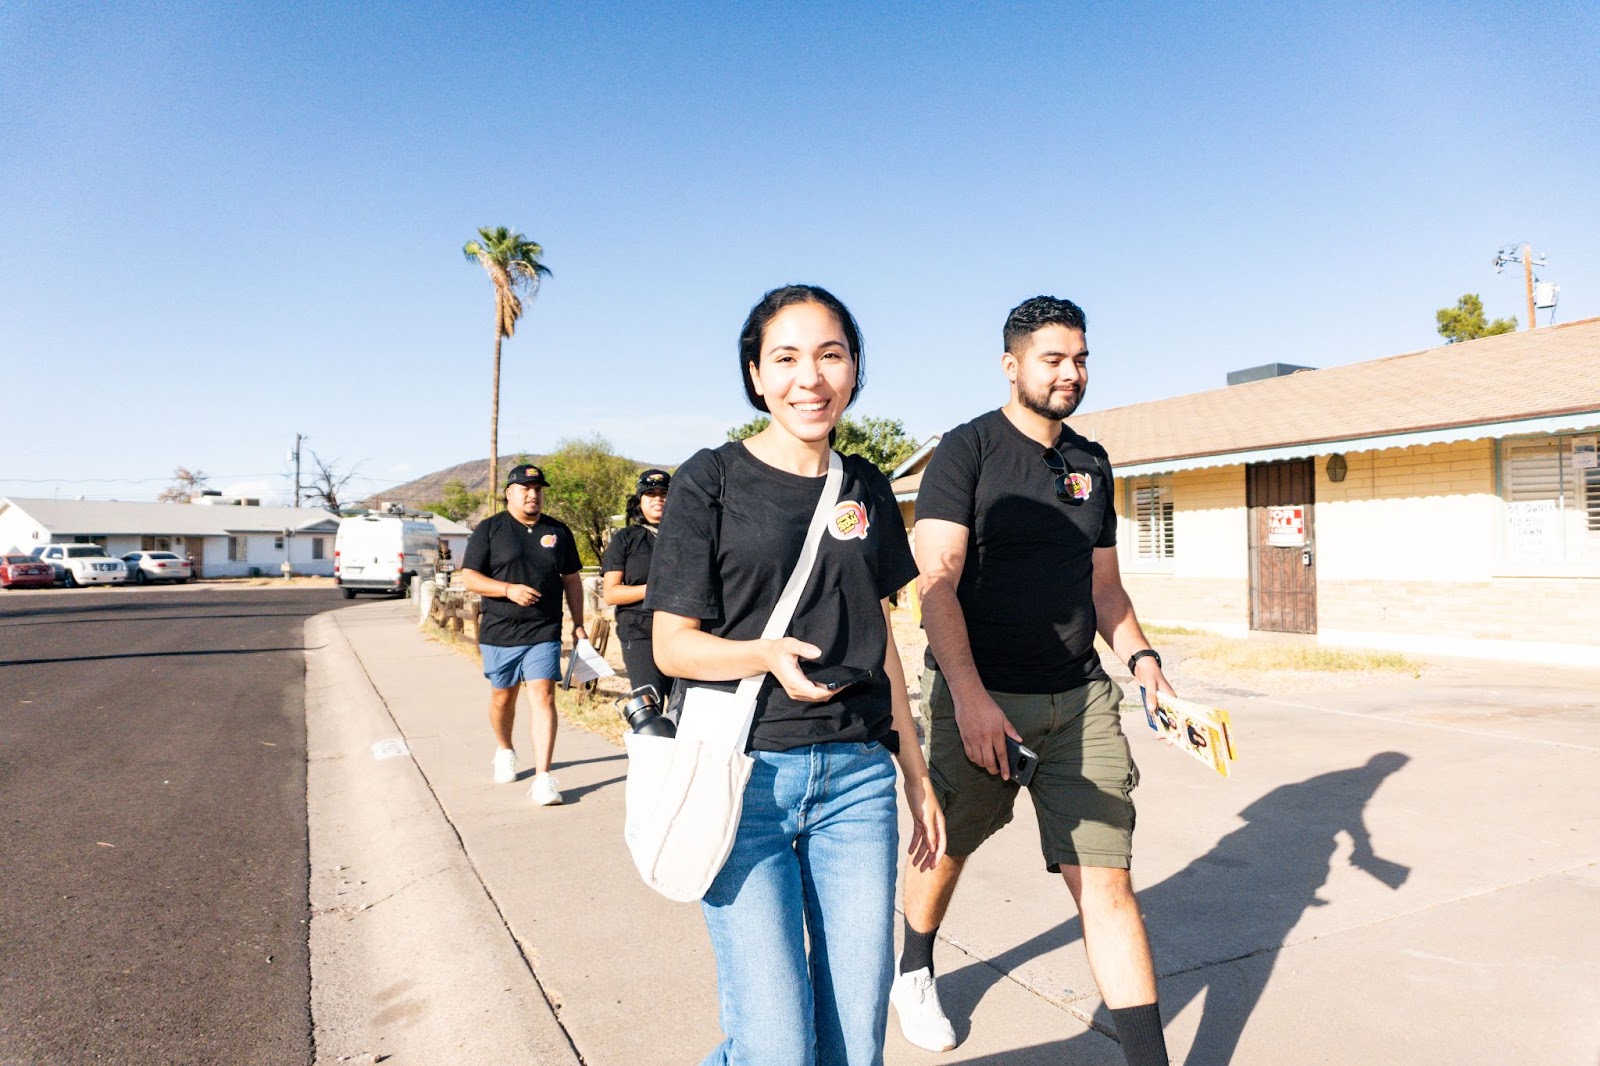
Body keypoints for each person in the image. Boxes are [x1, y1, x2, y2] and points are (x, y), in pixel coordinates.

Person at [648, 284, 945, 1066]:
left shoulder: (867, 487)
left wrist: (914, 773)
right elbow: (673, 646)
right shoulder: (709, 480)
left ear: (852, 371)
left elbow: (880, 637)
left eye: (830, 355)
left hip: (856, 781)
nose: (808, 377)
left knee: (853, 1043)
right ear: (755, 374)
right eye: (785, 358)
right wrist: (761, 655)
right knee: (777, 1046)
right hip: (744, 778)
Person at [891, 296, 1176, 1065]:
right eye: (1053, 358)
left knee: (1108, 883)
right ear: (1012, 365)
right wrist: (973, 699)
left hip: (1081, 700)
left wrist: (1144, 661)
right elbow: (936, 581)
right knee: (947, 844)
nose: (1071, 373)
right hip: (981, 696)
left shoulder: (1090, 461)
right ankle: (913, 968)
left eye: (1081, 358)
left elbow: (1106, 591)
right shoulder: (967, 451)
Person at [457, 463, 586, 806]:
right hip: (500, 629)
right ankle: (505, 749)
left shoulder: (557, 531)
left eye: (539, 489)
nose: (533, 494)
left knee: (543, 696)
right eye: (525, 489)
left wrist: (579, 622)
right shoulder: (489, 529)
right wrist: (507, 589)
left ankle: (544, 778)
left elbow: (571, 579)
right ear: (509, 494)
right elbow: (470, 577)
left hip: (544, 628)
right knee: (503, 697)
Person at [600, 469, 675, 707]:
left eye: (664, 493)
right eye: (650, 494)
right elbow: (611, 593)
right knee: (648, 704)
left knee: (683, 707)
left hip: (681, 630)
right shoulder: (625, 538)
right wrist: (654, 589)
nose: (658, 499)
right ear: (639, 501)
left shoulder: (687, 536)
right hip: (639, 630)